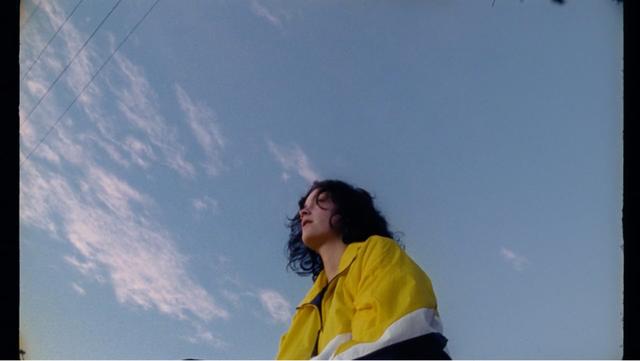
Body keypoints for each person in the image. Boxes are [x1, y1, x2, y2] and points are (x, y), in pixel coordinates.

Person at [276, 180, 451, 360]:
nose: (304, 211)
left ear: (345, 211)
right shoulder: (305, 307)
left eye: (321, 201)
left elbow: (395, 343)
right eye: (304, 206)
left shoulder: (378, 252)